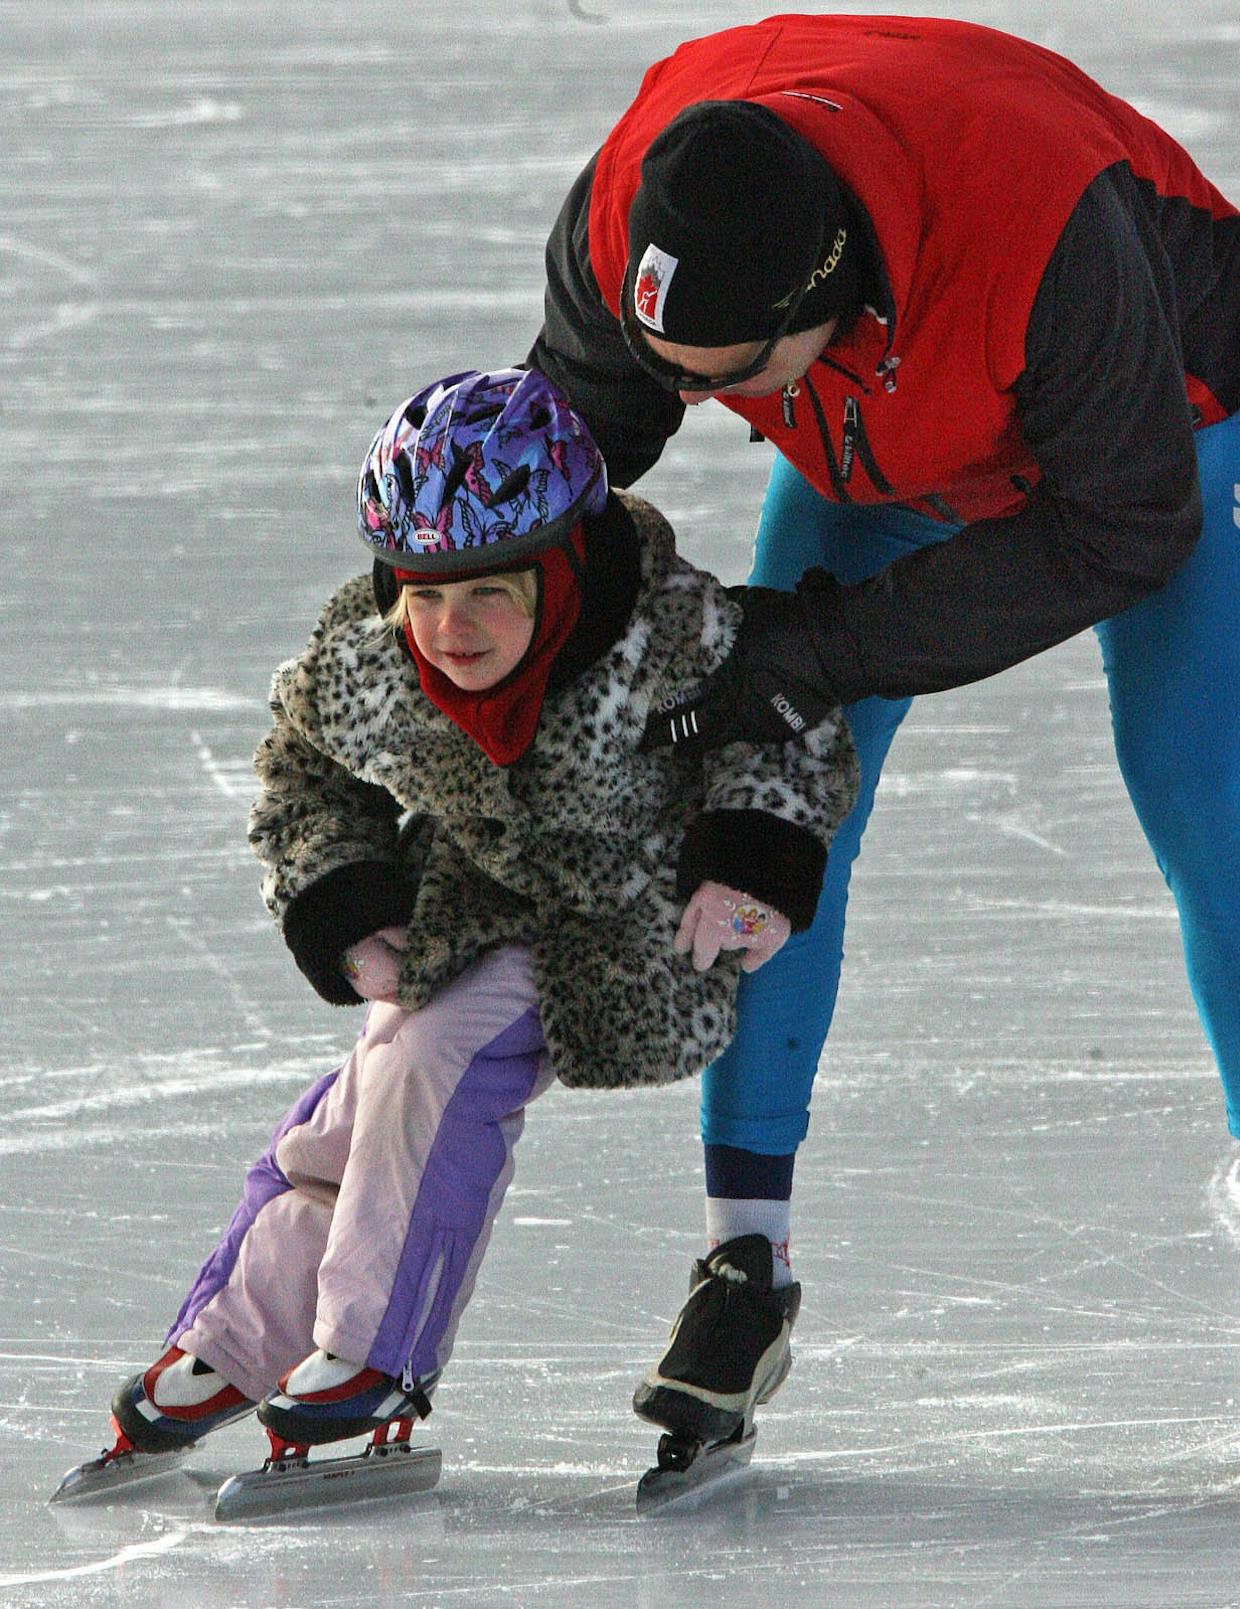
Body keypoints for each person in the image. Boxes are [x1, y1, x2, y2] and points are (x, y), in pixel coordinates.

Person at [527, 15, 1240, 1473]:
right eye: (662, 357)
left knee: (1198, 791)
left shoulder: (1038, 237)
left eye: (718, 374)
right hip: (886, 428)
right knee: (783, 795)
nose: (685, 399)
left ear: (823, 295)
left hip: (1140, 428)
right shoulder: (636, 206)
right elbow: (574, 435)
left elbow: (1121, 529)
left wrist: (820, 642)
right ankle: (745, 1259)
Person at [84, 368, 857, 1476]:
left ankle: (374, 1356)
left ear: (562, 567)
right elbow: (300, 776)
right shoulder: (372, 653)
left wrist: (750, 864)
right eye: (424, 590)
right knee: (356, 1113)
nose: (448, 627)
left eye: (489, 591)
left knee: (435, 1067)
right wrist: (346, 905)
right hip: (473, 906)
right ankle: (241, 1337)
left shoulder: (667, 631)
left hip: (633, 913)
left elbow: (786, 732)